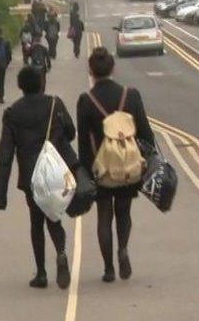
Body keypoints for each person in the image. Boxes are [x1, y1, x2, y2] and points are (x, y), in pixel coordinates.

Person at [0, 66, 77, 290]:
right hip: (55, 173)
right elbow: (71, 131)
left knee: (36, 223)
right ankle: (61, 252)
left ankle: (41, 273)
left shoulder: (12, 113)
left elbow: (5, 155)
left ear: (20, 86)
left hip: (31, 177)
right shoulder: (54, 104)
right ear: (41, 83)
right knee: (54, 216)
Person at [76, 47, 154, 283]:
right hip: (128, 166)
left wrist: (86, 170)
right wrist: (147, 160)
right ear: (113, 68)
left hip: (101, 167)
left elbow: (82, 140)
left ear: (90, 71)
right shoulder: (131, 95)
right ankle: (123, 249)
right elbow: (146, 133)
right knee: (124, 211)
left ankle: (108, 268)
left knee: (104, 215)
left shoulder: (86, 100)